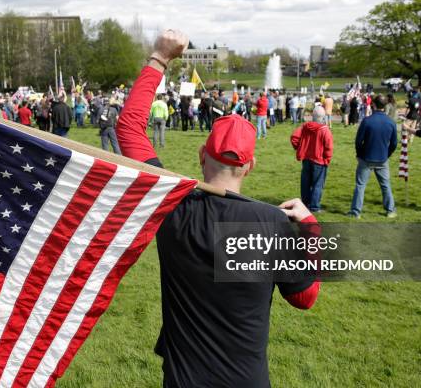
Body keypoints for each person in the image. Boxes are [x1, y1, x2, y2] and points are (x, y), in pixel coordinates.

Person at [115, 29, 320, 388]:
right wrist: (312, 230)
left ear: (201, 155)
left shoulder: (171, 203)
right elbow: (305, 298)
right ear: (250, 165)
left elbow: (129, 128)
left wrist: (160, 58)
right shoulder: (273, 223)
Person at [347, 94, 398, 218]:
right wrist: (387, 154)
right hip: (382, 158)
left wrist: (359, 154)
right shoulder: (391, 122)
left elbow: (358, 141)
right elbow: (394, 143)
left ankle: (355, 212)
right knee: (385, 185)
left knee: (360, 185)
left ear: (373, 105)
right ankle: (390, 210)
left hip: (366, 158)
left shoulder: (367, 121)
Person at [290, 107, 333, 212]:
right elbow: (329, 147)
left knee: (305, 183)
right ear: (323, 117)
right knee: (317, 184)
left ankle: (305, 204)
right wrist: (327, 159)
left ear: (313, 116)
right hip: (319, 161)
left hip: (307, 159)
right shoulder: (324, 130)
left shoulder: (305, 126)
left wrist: (300, 148)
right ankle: (314, 207)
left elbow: (294, 137)